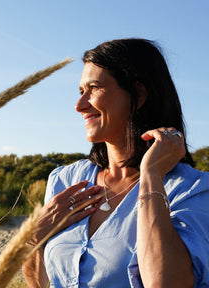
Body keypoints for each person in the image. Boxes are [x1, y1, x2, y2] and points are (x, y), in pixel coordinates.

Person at [22, 38, 209, 287]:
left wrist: (151, 176)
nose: (80, 105)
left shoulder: (190, 189)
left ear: (139, 94)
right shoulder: (65, 180)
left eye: (94, 88)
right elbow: (39, 283)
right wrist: (35, 238)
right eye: (81, 91)